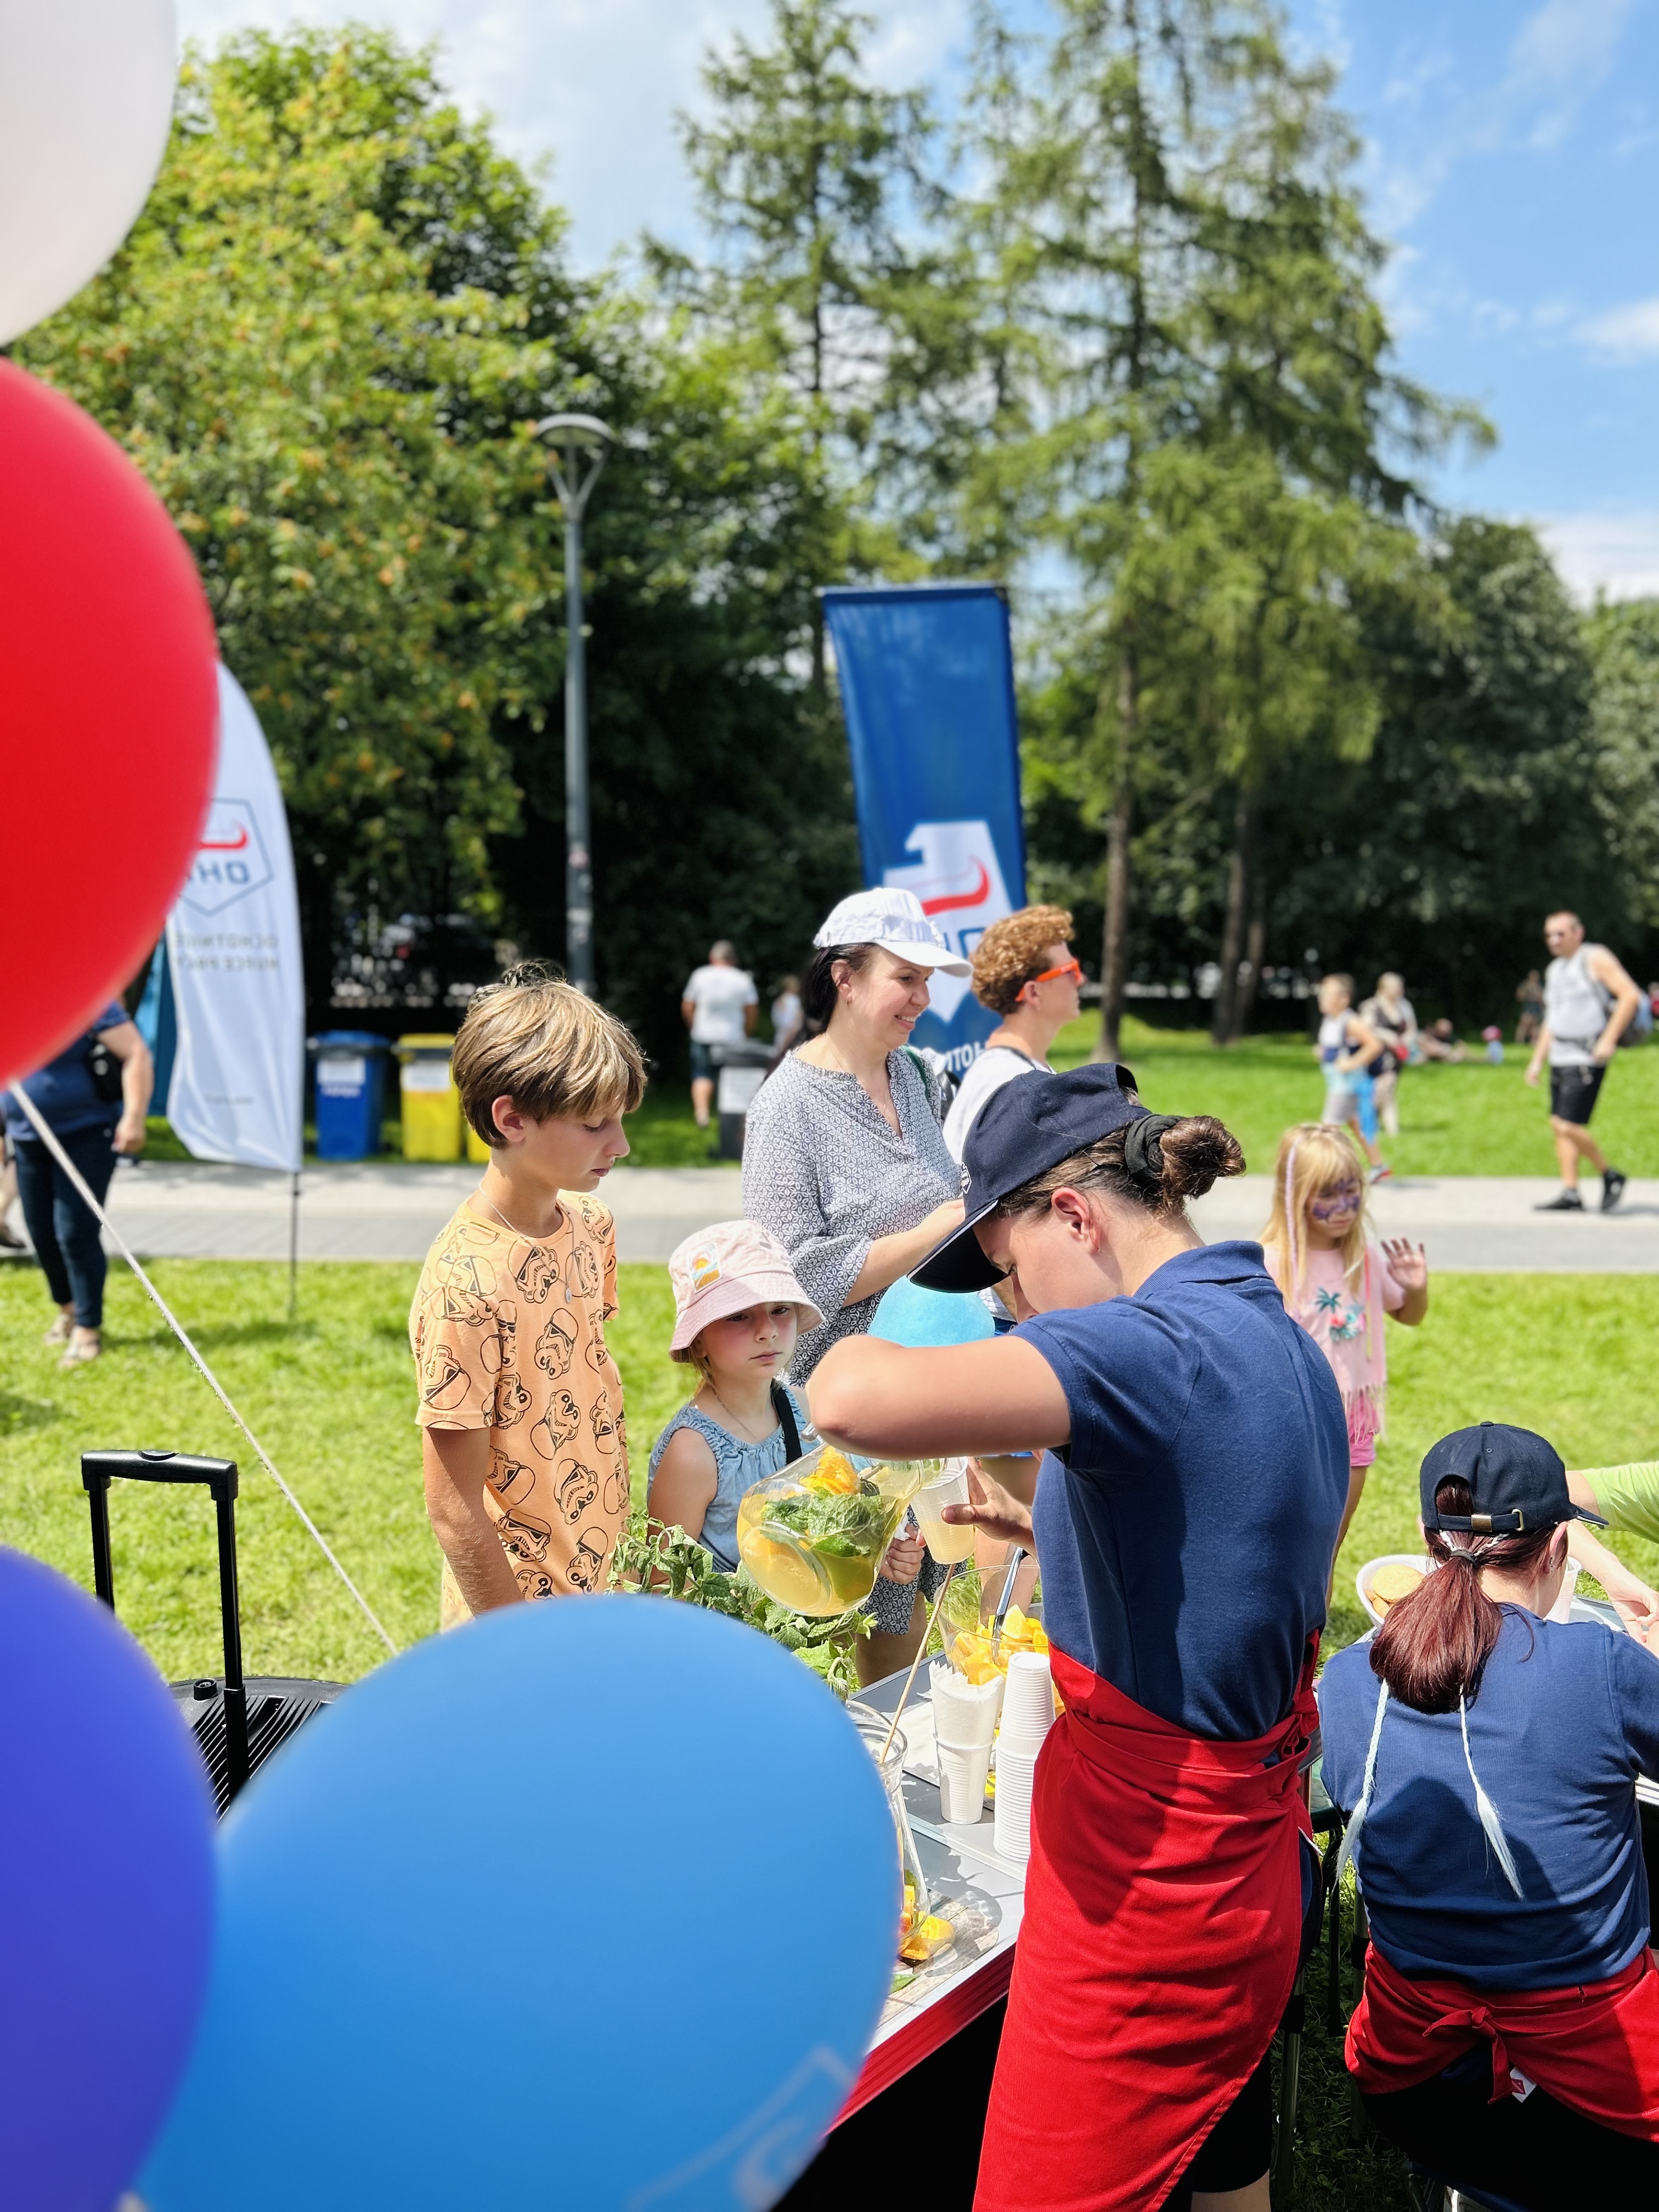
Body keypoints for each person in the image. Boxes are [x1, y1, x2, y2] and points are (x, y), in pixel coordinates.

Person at [808, 1065, 1348, 2212]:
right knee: (1216, 2163)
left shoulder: (1148, 1349)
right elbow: (1228, 1538)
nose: (1013, 1307)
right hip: (1244, 1857)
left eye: (1007, 1270)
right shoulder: (1271, 1329)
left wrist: (905, 1258)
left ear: (1074, 1215)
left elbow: (847, 1399)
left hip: (1157, 1898)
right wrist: (1048, 1522)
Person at [1320, 1425, 1659, 2204]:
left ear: (1422, 1540)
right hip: (1604, 2112)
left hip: (1413, 2088)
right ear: (1558, 1549)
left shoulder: (1345, 1683)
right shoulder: (1601, 1668)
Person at [742, 887, 968, 1685]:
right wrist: (935, 1233)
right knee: (888, 1634)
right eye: (905, 978)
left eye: (926, 981)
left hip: (938, 1392)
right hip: (856, 1418)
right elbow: (793, 1278)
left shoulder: (911, 1077)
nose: (923, 998)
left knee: (955, 1612)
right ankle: (883, 1796)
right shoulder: (786, 1109)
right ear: (844, 978)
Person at [409, 963, 646, 1626]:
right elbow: (454, 1509)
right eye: (596, 1124)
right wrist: (518, 1650)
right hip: (516, 1620)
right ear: (511, 1119)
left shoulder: (592, 1227)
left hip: (603, 1583)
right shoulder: (466, 1283)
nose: (620, 1144)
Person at [1260, 1125, 1427, 1575]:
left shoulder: (1364, 1257)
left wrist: (1415, 1290)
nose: (1342, 1207)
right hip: (1295, 1418)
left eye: (1351, 1191)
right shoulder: (1269, 1262)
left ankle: (1311, 1633)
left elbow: (1408, 1315)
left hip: (1354, 1417)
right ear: (1295, 1193)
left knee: (1330, 1541)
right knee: (1287, 1535)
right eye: (1327, 1193)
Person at [646, 1220, 823, 1570]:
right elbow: (666, 1582)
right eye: (739, 1317)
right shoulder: (693, 1454)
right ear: (698, 1339)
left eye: (780, 1310)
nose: (767, 1331)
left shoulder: (802, 1409)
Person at [2, 1001, 153, 1365]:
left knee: (75, 1231)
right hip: (27, 1137)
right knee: (40, 1232)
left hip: (85, 1134)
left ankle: (88, 1327)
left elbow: (136, 1054)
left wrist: (133, 1118)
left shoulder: (87, 997)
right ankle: (67, 1309)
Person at [942, 903, 1081, 1163]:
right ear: (1033, 993)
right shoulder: (1008, 1081)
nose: (1080, 980)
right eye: (1069, 972)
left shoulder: (1018, 1070)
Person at [1526, 910, 1642, 1213]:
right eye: (1549, 934)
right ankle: (1571, 1191)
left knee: (1566, 1124)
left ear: (1578, 933)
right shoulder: (1555, 970)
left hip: (1586, 1056)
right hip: (1560, 1056)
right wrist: (1537, 1060)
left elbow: (1630, 996)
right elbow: (1553, 1018)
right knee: (1559, 1125)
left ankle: (1610, 1174)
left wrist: (1608, 1039)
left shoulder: (1594, 958)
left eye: (1560, 933)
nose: (1554, 940)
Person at [1313, 973, 1389, 1180]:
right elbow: (1335, 1049)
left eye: (1327, 995)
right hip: (1337, 1083)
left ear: (1343, 999)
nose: (1322, 998)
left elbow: (1375, 1045)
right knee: (1357, 1126)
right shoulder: (1330, 1020)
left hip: (1346, 1087)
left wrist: (1351, 1064)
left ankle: (1329, 1174)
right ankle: (1378, 1166)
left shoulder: (1350, 1021)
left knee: (1328, 1130)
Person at [681, 940, 758, 1132]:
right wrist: (746, 1032)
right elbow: (751, 1010)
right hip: (732, 1037)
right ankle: (730, 1119)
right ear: (733, 959)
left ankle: (702, 1113)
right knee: (730, 1080)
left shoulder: (700, 976)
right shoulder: (742, 979)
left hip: (703, 1034)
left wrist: (693, 1026)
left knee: (702, 1075)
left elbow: (688, 1005)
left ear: (712, 957)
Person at [1358, 974, 1417, 1137]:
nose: (1400, 990)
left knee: (1387, 1089)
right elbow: (1365, 1029)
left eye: (1400, 987)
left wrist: (1405, 1040)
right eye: (1396, 987)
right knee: (1383, 1088)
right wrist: (1387, 1036)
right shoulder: (1371, 1006)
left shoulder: (1404, 1006)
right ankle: (1387, 1129)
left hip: (1398, 1055)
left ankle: (1376, 1126)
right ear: (1384, 988)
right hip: (1376, 1054)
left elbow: (1412, 1028)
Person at [769, 974, 803, 1058]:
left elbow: (778, 1019)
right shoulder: (794, 1000)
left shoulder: (779, 1000)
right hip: (792, 1033)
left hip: (781, 1033)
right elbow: (797, 1019)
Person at [1515, 968, 1546, 1047]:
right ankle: (1519, 1042)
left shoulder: (1539, 986)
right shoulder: (1526, 985)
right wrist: (1530, 996)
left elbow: (1542, 998)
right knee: (1524, 1024)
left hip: (1537, 1007)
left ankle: (1534, 1042)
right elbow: (1519, 996)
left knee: (1535, 1026)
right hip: (1528, 1006)